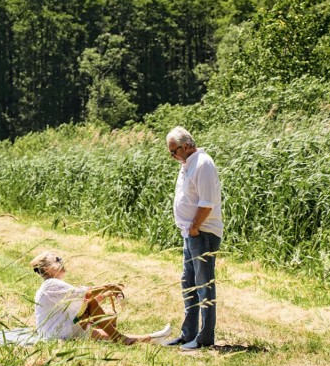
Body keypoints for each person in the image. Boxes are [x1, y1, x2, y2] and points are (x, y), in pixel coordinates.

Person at [163, 126, 223, 351]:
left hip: (203, 232)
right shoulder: (187, 165)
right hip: (189, 233)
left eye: (174, 151)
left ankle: (205, 336)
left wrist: (195, 228)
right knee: (188, 283)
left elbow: (207, 203)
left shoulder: (203, 164)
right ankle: (187, 333)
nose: (172, 156)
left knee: (204, 285)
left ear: (186, 146)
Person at [30, 251, 170, 345]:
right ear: (48, 269)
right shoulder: (50, 284)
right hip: (57, 333)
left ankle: (151, 338)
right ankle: (123, 338)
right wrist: (108, 287)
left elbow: (81, 302)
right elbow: (85, 296)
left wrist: (104, 294)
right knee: (112, 333)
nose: (62, 263)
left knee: (109, 334)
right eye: (57, 261)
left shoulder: (52, 285)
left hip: (63, 329)